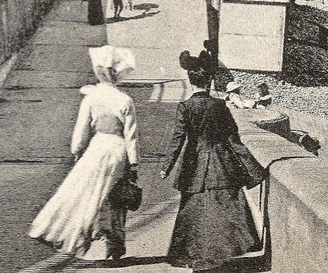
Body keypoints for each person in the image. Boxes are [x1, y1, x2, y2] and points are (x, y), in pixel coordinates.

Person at [29, 45, 139, 260]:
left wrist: (78, 151)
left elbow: (81, 131)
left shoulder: (91, 97)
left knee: (86, 195)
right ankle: (115, 243)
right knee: (115, 198)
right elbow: (131, 136)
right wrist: (133, 163)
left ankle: (72, 237)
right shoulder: (125, 100)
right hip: (118, 150)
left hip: (97, 147)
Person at [162, 50, 263, 271]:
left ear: (190, 82)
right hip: (221, 162)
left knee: (195, 208)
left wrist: (166, 167)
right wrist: (253, 168)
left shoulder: (185, 107)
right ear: (208, 81)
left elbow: (177, 139)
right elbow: (233, 138)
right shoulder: (220, 106)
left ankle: (197, 256)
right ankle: (224, 255)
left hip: (194, 163)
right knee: (225, 206)